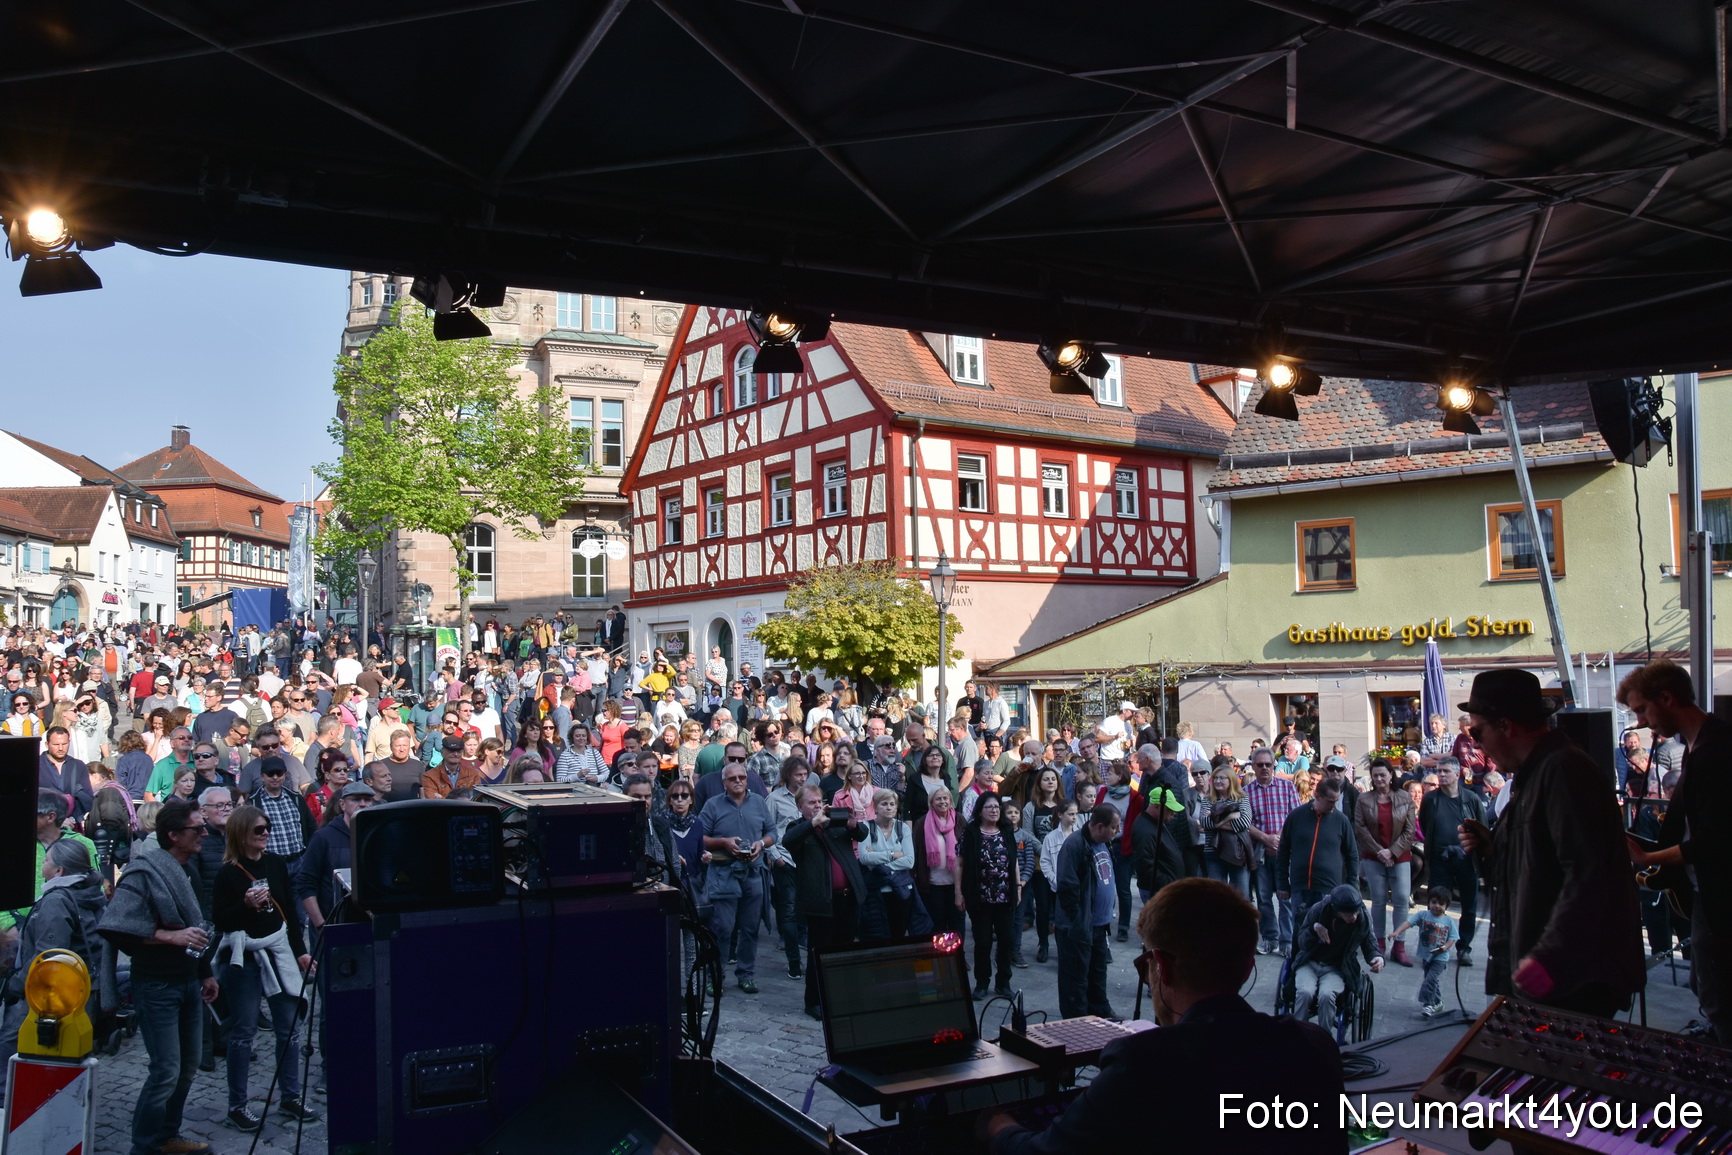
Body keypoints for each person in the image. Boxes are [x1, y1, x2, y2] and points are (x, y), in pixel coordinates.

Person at [985, 878, 1346, 1155]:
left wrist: (998, 1126)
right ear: (1248, 966)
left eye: (1147, 966)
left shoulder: (1144, 1063)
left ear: (1161, 968)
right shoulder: (1313, 1045)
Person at [1457, 669, 1644, 1016]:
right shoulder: (1537, 773)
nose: (1476, 744)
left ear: (1505, 726)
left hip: (1570, 982)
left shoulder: (1563, 770)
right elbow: (1545, 862)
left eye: (1477, 732)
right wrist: (1493, 847)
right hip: (1552, 976)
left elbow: (1589, 872)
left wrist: (1550, 957)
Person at [96, 797, 220, 1155]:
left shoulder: (190, 871)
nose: (203, 833)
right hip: (156, 985)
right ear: (173, 834)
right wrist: (168, 935)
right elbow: (118, 927)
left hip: (186, 981)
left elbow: (195, 926)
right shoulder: (144, 870)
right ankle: (144, 1146)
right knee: (165, 1070)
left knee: (188, 1067)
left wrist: (205, 973)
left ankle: (168, 1137)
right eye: (196, 829)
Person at [1621, 659, 1732, 1040]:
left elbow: (1714, 841)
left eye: (1642, 709)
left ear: (1666, 698)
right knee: (1706, 985)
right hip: (1707, 893)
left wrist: (1649, 858)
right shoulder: (1700, 746)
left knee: (1718, 993)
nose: (1640, 720)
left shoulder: (1716, 750)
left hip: (1720, 896)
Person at [212, 803, 318, 1131]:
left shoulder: (274, 864)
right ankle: (238, 1105)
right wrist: (244, 906)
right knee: (243, 1033)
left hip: (278, 949)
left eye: (267, 827)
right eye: (258, 829)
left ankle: (290, 1096)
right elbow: (220, 920)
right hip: (244, 958)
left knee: (289, 1027)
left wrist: (301, 952)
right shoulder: (228, 872)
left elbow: (287, 910)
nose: (265, 834)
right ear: (241, 834)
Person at [0, 838, 112, 1059]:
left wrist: (16, 985)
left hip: (52, 996)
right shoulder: (91, 892)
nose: (43, 864)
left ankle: (7, 1091)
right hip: (83, 989)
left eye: (47, 860)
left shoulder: (56, 901)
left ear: (59, 870)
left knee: (12, 1043)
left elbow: (48, 959)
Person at [783, 784, 867, 1018]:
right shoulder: (798, 827)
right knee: (818, 952)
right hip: (821, 902)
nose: (818, 806)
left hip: (847, 898)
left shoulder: (834, 824)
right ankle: (814, 1001)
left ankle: (839, 997)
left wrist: (851, 823)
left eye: (820, 801)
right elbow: (788, 842)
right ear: (800, 807)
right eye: (811, 803)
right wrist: (814, 823)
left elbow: (862, 835)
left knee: (843, 950)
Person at [700, 761, 777, 995]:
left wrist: (761, 844)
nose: (738, 781)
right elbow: (699, 837)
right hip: (723, 872)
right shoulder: (713, 804)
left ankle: (746, 975)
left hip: (753, 871)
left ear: (747, 779)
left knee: (751, 927)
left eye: (741, 777)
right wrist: (722, 842)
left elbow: (772, 832)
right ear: (724, 782)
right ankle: (716, 976)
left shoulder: (758, 803)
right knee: (723, 927)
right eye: (732, 778)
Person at [1054, 803, 1122, 1019]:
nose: (1117, 831)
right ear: (1100, 826)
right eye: (1114, 827)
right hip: (1078, 926)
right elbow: (1066, 885)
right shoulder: (1075, 845)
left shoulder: (1104, 843)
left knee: (1097, 972)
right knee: (1076, 977)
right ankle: (1078, 1020)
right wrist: (1077, 919)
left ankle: (1100, 1010)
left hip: (1099, 925)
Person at [1275, 777, 1358, 951]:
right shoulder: (1296, 816)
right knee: (1301, 929)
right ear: (1317, 796)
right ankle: (1297, 962)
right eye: (1330, 801)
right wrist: (1282, 882)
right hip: (1300, 886)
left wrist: (1352, 887)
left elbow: (1352, 855)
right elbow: (1283, 851)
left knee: (1326, 931)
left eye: (1336, 801)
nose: (1333, 806)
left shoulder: (1341, 821)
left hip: (1328, 889)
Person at [1417, 756, 1485, 967]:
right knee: (1436, 904)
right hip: (1440, 858)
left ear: (1457, 774)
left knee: (1469, 905)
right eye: (1439, 771)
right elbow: (1425, 822)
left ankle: (1463, 948)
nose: (1442, 775)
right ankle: (1433, 946)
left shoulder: (1471, 799)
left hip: (1466, 859)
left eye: (1446, 771)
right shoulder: (1431, 799)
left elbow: (1482, 828)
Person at [1285, 884, 1384, 1028]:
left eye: (1355, 912)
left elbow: (1370, 942)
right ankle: (1299, 1032)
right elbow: (1301, 943)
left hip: (1336, 967)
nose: (1354, 917)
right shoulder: (1318, 910)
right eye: (1349, 914)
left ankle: (1324, 1036)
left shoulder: (1362, 918)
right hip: (1309, 963)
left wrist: (1377, 957)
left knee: (1326, 995)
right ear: (1338, 910)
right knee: (1305, 992)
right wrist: (1314, 929)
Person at [957, 791, 1019, 999]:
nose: (994, 810)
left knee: (1007, 940)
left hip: (1005, 896)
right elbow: (960, 863)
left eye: (996, 807)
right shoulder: (972, 831)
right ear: (980, 811)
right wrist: (959, 892)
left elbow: (1014, 861)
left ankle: (1003, 982)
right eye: (989, 807)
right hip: (980, 896)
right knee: (983, 942)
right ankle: (982, 983)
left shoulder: (1006, 830)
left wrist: (1017, 888)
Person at [1355, 758, 1417, 967]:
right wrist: (1380, 852)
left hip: (1400, 857)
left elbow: (1410, 830)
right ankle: (1379, 944)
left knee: (1401, 899)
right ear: (1371, 778)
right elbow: (1360, 828)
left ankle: (1399, 946)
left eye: (1383, 774)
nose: (1379, 779)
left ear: (1391, 775)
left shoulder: (1405, 798)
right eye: (1375, 775)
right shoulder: (1364, 799)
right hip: (1373, 857)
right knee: (1379, 901)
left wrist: (1392, 852)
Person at [1243, 748, 1299, 955]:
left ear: (1274, 766)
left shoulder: (1287, 787)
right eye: (1260, 765)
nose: (1265, 768)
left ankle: (1287, 941)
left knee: (1286, 898)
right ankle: (1269, 938)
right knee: (1264, 898)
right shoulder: (1246, 792)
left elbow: (1294, 816)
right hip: (1260, 851)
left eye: (1269, 764)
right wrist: (1266, 839)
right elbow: (1244, 823)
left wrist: (1278, 841)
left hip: (1284, 852)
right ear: (1253, 767)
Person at [1392, 886, 1458, 1018]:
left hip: (1440, 957)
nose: (1436, 906)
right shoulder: (1423, 915)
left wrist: (1445, 947)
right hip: (1426, 955)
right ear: (1428, 902)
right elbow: (1409, 923)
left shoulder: (1449, 921)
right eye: (1433, 902)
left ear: (1447, 906)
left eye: (1441, 903)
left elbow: (1453, 938)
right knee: (1432, 981)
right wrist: (1397, 932)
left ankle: (1428, 1004)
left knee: (1429, 980)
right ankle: (1438, 1002)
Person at [914, 785, 964, 942]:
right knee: (938, 925)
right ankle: (943, 960)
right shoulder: (922, 823)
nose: (943, 801)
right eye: (938, 799)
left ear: (950, 800)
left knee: (957, 924)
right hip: (932, 885)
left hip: (956, 884)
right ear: (931, 802)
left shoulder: (960, 820)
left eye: (945, 798)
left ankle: (958, 959)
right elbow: (916, 852)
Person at [38, 724, 95, 820]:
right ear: (47, 745)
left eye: (64, 744)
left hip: (73, 821)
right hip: (44, 822)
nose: (60, 748)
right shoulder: (36, 765)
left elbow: (88, 799)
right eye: (56, 744)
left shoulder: (78, 765)